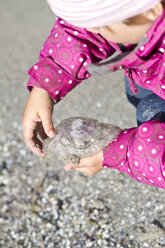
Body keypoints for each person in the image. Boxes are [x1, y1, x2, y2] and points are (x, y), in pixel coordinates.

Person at [23, 0, 165, 189]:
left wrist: (122, 152)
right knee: (143, 99)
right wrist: (46, 83)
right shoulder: (142, 12)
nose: (94, 31)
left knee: (150, 112)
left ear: (152, 10)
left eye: (99, 25)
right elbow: (81, 33)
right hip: (152, 72)